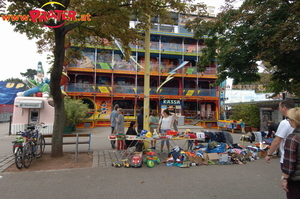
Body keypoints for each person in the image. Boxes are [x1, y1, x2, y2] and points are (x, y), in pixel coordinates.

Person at [265, 99, 295, 165]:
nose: (279, 109)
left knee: (286, 175)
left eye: (279, 107)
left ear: (284, 108)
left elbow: (277, 141)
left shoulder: (285, 123)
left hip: (288, 157)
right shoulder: (297, 120)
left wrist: (269, 154)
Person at [281, 108, 300, 198]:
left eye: (290, 119)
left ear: (294, 121)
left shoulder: (293, 138)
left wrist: (284, 178)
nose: (288, 121)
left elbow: (289, 161)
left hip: (296, 180)